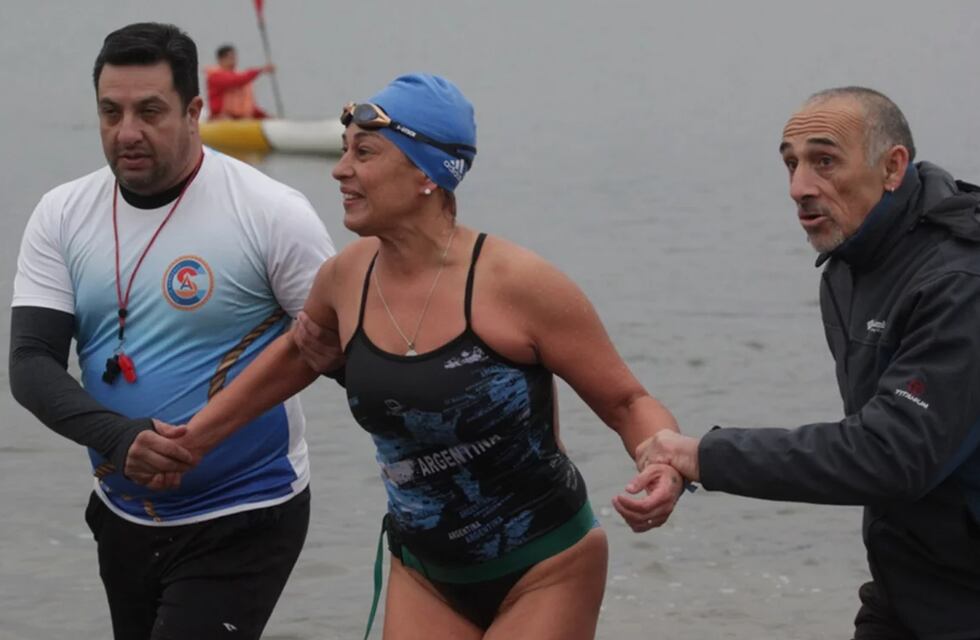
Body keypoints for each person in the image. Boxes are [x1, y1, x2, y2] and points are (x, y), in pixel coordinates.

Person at [157, 73, 684, 639]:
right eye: (342, 153)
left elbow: (627, 400)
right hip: (425, 573)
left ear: (427, 175)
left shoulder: (518, 284)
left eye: (364, 153)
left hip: (546, 564)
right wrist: (194, 441)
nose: (340, 171)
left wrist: (662, 464)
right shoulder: (344, 279)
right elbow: (297, 356)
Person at [9, 22, 335, 640]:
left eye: (149, 111)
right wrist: (118, 438)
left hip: (247, 507)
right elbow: (30, 363)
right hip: (122, 511)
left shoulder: (271, 212)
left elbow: (343, 353)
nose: (126, 132)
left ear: (194, 111)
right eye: (111, 111)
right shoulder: (62, 214)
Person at [634, 86, 980, 638]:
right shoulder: (849, 261)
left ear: (892, 168)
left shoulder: (960, 280)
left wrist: (705, 456)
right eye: (790, 163)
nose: (799, 187)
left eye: (824, 161)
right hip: (908, 583)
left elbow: (893, 454)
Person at [205, 44, 274, 120]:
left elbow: (248, 105)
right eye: (230, 58)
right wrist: (261, 70)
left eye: (234, 57)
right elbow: (236, 80)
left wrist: (264, 116)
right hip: (222, 118)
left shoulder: (241, 78)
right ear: (221, 59)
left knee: (259, 118)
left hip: (241, 119)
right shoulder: (215, 77)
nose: (234, 60)